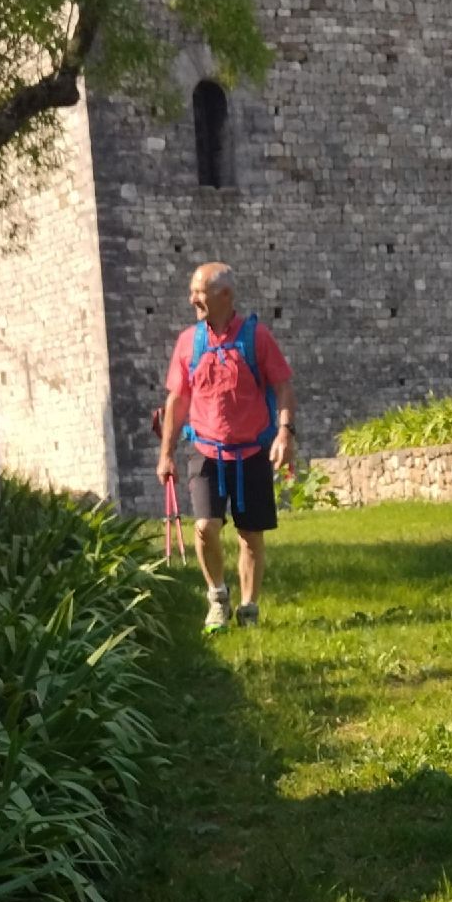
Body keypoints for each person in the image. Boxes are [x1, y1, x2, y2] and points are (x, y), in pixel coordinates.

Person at [157, 263, 296, 630]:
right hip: (206, 450)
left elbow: (283, 387)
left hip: (251, 451)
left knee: (250, 535)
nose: (192, 299)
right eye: (192, 291)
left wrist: (284, 434)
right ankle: (218, 597)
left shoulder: (257, 337)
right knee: (205, 526)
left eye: (199, 292)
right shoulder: (189, 342)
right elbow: (177, 400)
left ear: (225, 295)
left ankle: (249, 609)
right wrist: (166, 453)